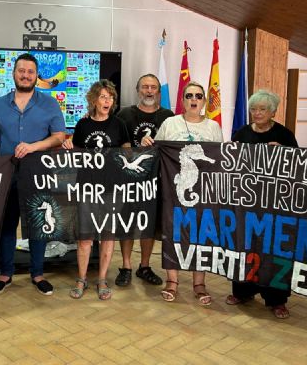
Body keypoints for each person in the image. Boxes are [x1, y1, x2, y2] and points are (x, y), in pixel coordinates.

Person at [0, 53, 66, 296]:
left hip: (39, 174)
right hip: (6, 175)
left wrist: (33, 146)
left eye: (30, 72)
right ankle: (5, 274)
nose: (26, 75)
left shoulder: (49, 104)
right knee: (6, 225)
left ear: (36, 75)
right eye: (21, 70)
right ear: (14, 73)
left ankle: (38, 273)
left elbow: (59, 137)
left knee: (38, 225)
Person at [224, 90, 298, 319]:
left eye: (262, 109)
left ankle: (276, 300)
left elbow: (298, 167)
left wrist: (283, 154)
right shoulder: (241, 133)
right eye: (253, 109)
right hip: (246, 203)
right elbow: (229, 163)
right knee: (245, 246)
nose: (256, 113)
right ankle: (243, 292)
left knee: (273, 250)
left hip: (275, 204)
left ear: (273, 112)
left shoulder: (285, 135)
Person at [153, 81, 223, 305]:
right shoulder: (170, 123)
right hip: (173, 190)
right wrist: (148, 142)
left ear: (203, 101)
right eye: (189, 95)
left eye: (198, 96)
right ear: (182, 100)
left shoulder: (213, 127)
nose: (194, 99)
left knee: (200, 233)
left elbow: (219, 160)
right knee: (173, 232)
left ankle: (199, 283)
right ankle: (172, 281)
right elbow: (157, 151)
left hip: (204, 191)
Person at [63, 79, 130, 300]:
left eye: (110, 97)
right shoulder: (83, 125)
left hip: (112, 189)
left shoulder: (119, 124)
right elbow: (76, 151)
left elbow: (128, 153)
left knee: (108, 236)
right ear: (94, 100)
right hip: (87, 188)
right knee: (85, 237)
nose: (107, 100)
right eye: (103, 96)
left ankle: (102, 279)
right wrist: (68, 144)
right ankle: (81, 279)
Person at [113, 74, 173, 287]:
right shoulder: (124, 114)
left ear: (158, 91)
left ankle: (144, 266)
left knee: (149, 223)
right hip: (127, 179)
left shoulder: (169, 116)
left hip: (156, 180)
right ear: (138, 90)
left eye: (153, 87)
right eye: (145, 87)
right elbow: (115, 143)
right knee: (127, 223)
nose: (149, 91)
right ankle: (126, 266)